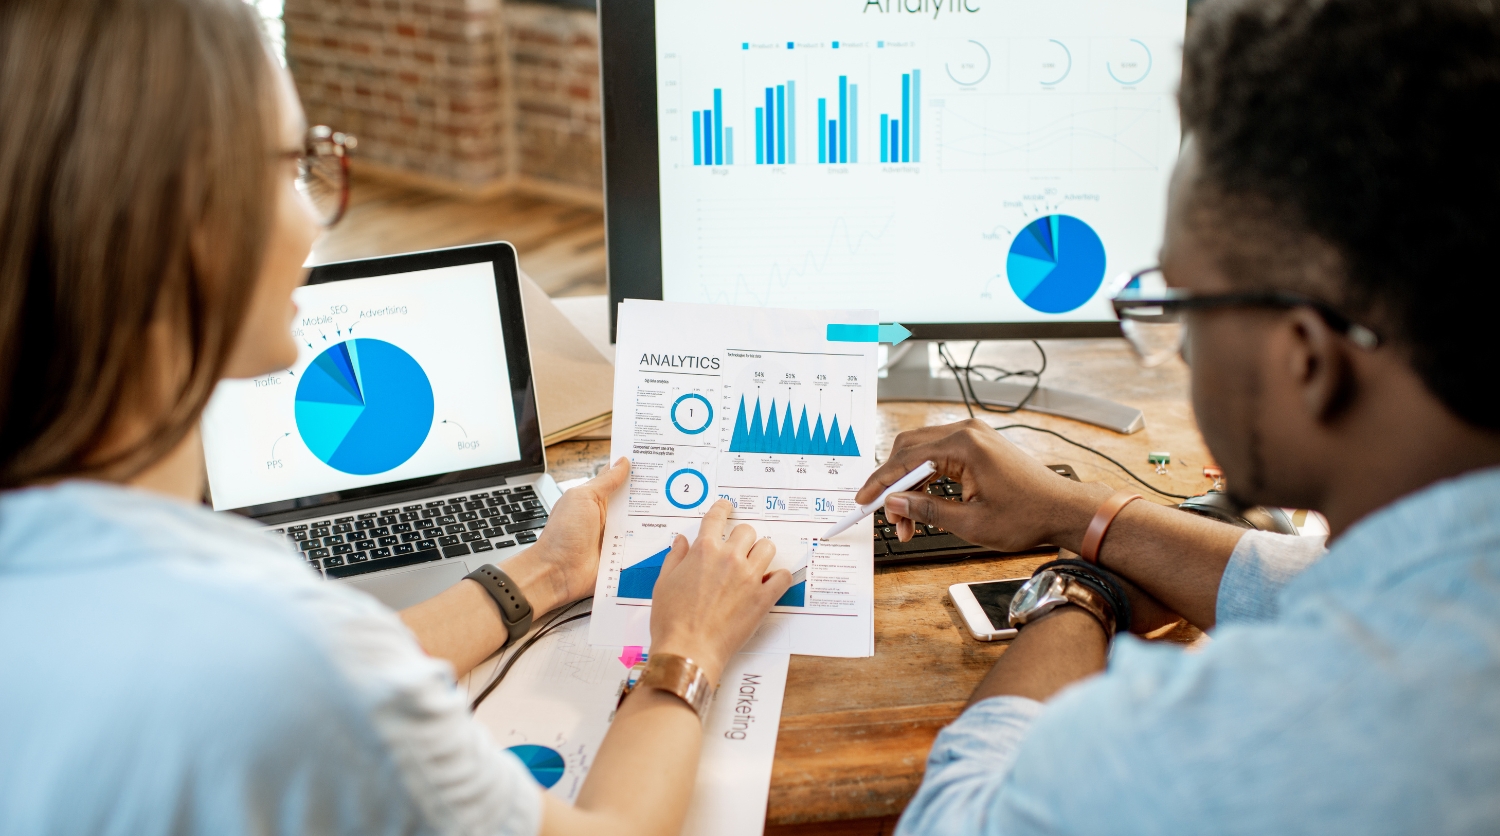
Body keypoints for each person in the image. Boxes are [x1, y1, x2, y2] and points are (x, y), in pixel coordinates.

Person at [0, 1, 789, 834]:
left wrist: (549, 572)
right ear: (187, 226)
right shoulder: (278, 652)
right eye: (290, 167)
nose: (310, 218)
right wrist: (687, 649)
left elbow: (346, 667)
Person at [857, 0, 1500, 832]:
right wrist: (1076, 513)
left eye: (1187, 304)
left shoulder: (1271, 731)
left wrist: (1075, 594)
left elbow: (956, 817)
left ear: (1304, 357)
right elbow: (1314, 581)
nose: (1186, 350)